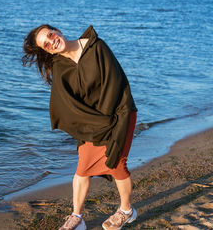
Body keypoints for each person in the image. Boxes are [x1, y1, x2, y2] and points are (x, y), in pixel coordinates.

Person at [22, 24, 138, 230]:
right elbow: (64, 103)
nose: (52, 42)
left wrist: (106, 123)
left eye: (50, 35)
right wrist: (88, 123)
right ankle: (77, 217)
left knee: (117, 164)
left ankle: (126, 211)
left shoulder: (96, 47)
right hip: (91, 123)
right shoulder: (59, 65)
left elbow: (115, 84)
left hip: (120, 113)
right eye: (46, 44)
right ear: (46, 51)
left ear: (57, 30)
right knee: (83, 168)